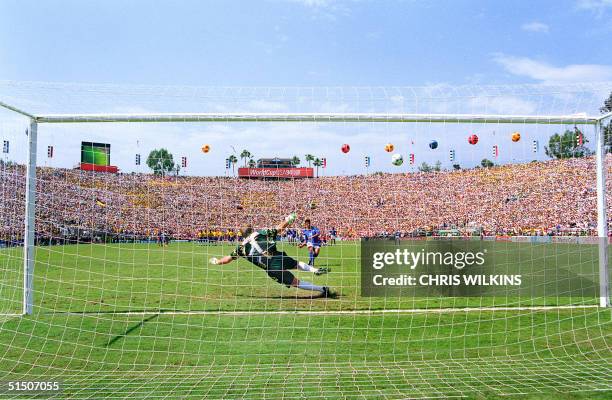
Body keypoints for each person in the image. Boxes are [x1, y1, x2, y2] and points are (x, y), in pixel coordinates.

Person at [209, 213, 335, 297]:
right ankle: (314, 269)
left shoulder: (241, 248)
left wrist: (218, 261)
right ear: (251, 230)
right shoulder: (259, 233)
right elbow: (279, 229)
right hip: (277, 256)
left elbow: (228, 259)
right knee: (297, 264)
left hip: (270, 267)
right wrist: (289, 219)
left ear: (242, 235)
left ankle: (322, 289)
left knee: (295, 282)